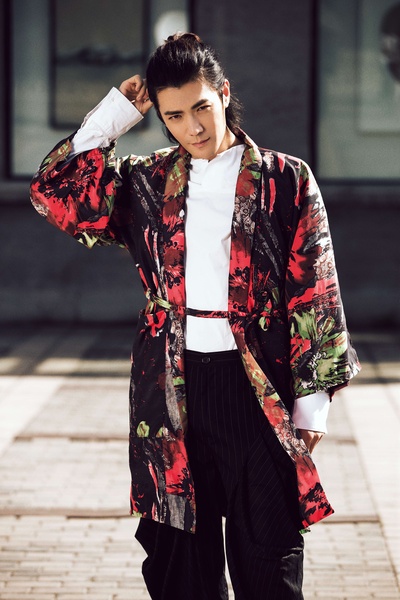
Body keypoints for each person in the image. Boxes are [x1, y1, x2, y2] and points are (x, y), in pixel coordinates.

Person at [31, 32, 360, 600]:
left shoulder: (285, 180)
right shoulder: (147, 182)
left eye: (202, 107)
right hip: (169, 390)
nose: (194, 127)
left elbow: (315, 292)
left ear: (224, 94)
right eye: (175, 116)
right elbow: (56, 194)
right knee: (179, 569)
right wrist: (114, 114)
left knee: (271, 564)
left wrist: (312, 409)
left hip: (258, 389)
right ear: (161, 118)